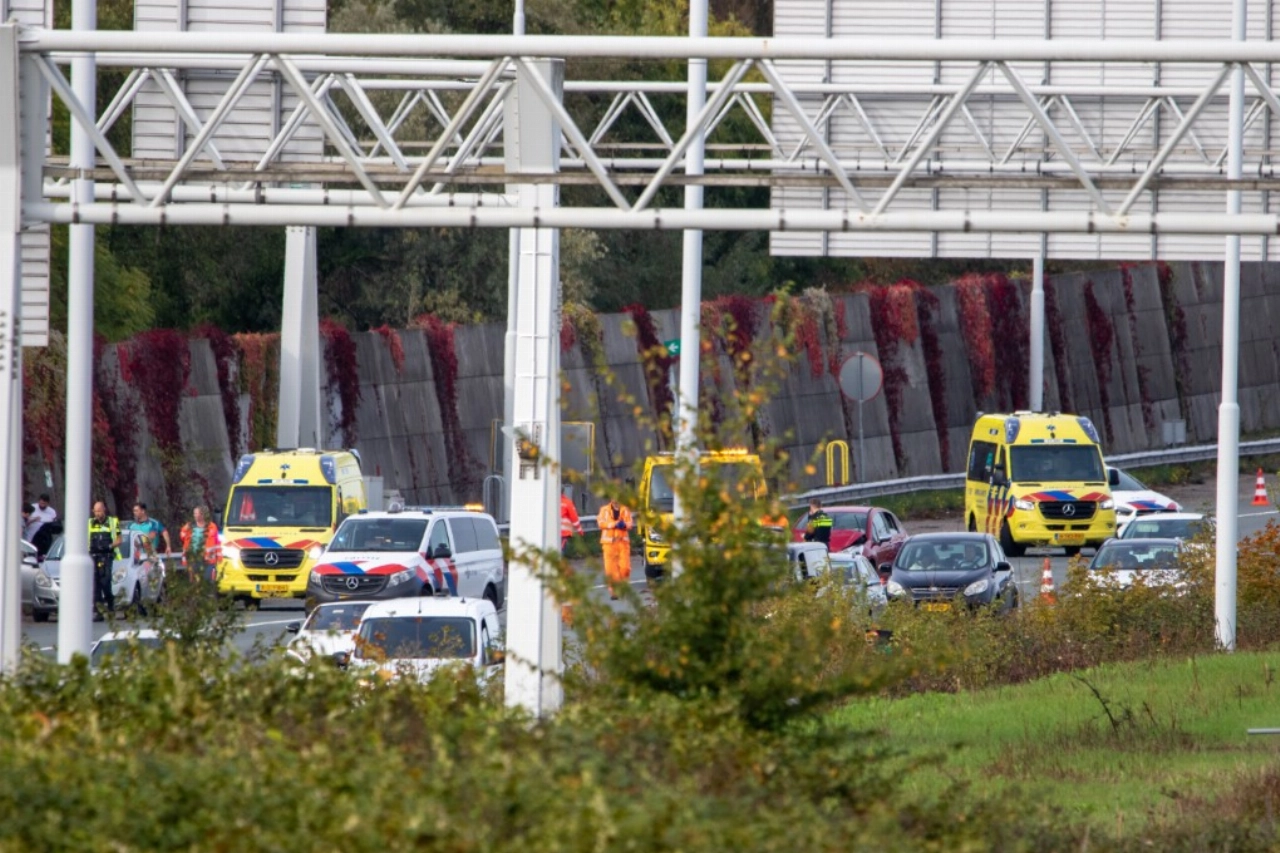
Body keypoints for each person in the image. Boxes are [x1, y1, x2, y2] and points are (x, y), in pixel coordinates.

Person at [88, 501, 122, 620]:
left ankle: (110, 604)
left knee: (106, 582)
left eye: (99, 511)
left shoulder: (112, 522)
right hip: (93, 556)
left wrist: (109, 546)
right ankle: (99, 611)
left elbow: (119, 540)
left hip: (107, 556)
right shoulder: (90, 523)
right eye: (95, 511)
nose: (97, 514)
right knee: (96, 585)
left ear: (104, 510)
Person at [596, 498, 633, 600]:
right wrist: (614, 524)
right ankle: (615, 592)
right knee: (611, 570)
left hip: (623, 543)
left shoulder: (625, 510)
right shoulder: (604, 510)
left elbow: (630, 523)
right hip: (609, 544)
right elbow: (601, 523)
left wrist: (624, 525)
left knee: (625, 568)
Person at [180, 506, 221, 582]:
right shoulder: (189, 526)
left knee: (207, 581)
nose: (194, 515)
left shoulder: (212, 527)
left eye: (196, 513)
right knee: (193, 581)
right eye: (194, 513)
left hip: (208, 559)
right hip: (193, 558)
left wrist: (219, 557)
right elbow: (182, 537)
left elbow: (217, 543)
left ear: (202, 515)